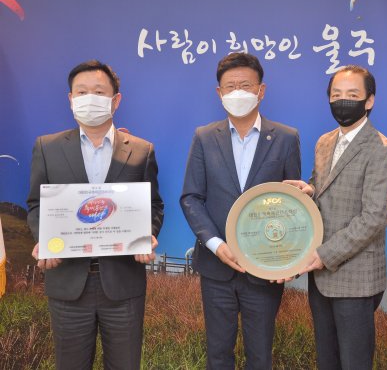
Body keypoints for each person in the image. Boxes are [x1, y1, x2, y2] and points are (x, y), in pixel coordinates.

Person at [27, 60, 164, 369]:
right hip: (67, 283)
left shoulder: (141, 150)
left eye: (99, 91)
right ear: (71, 99)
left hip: (123, 284)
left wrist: (147, 236)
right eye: (82, 91)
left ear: (115, 100)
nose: (90, 98)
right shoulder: (47, 147)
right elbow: (37, 204)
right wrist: (45, 240)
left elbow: (153, 205)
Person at [180, 53, 301, 369]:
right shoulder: (204, 138)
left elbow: (293, 206)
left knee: (260, 356)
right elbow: (191, 197)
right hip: (216, 267)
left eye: (245, 85)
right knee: (218, 353)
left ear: (261, 90)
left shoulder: (286, 138)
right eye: (230, 87)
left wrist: (286, 258)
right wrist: (216, 245)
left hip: (264, 270)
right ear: (219, 94)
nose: (238, 93)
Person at [285, 65, 387, 369]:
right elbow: (326, 186)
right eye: (336, 95)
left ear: (369, 100)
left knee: (354, 361)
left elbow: (374, 218)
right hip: (320, 275)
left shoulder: (382, 150)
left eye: (352, 95)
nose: (342, 101)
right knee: (327, 359)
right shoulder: (325, 142)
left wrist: (325, 255)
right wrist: (310, 190)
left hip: (355, 276)